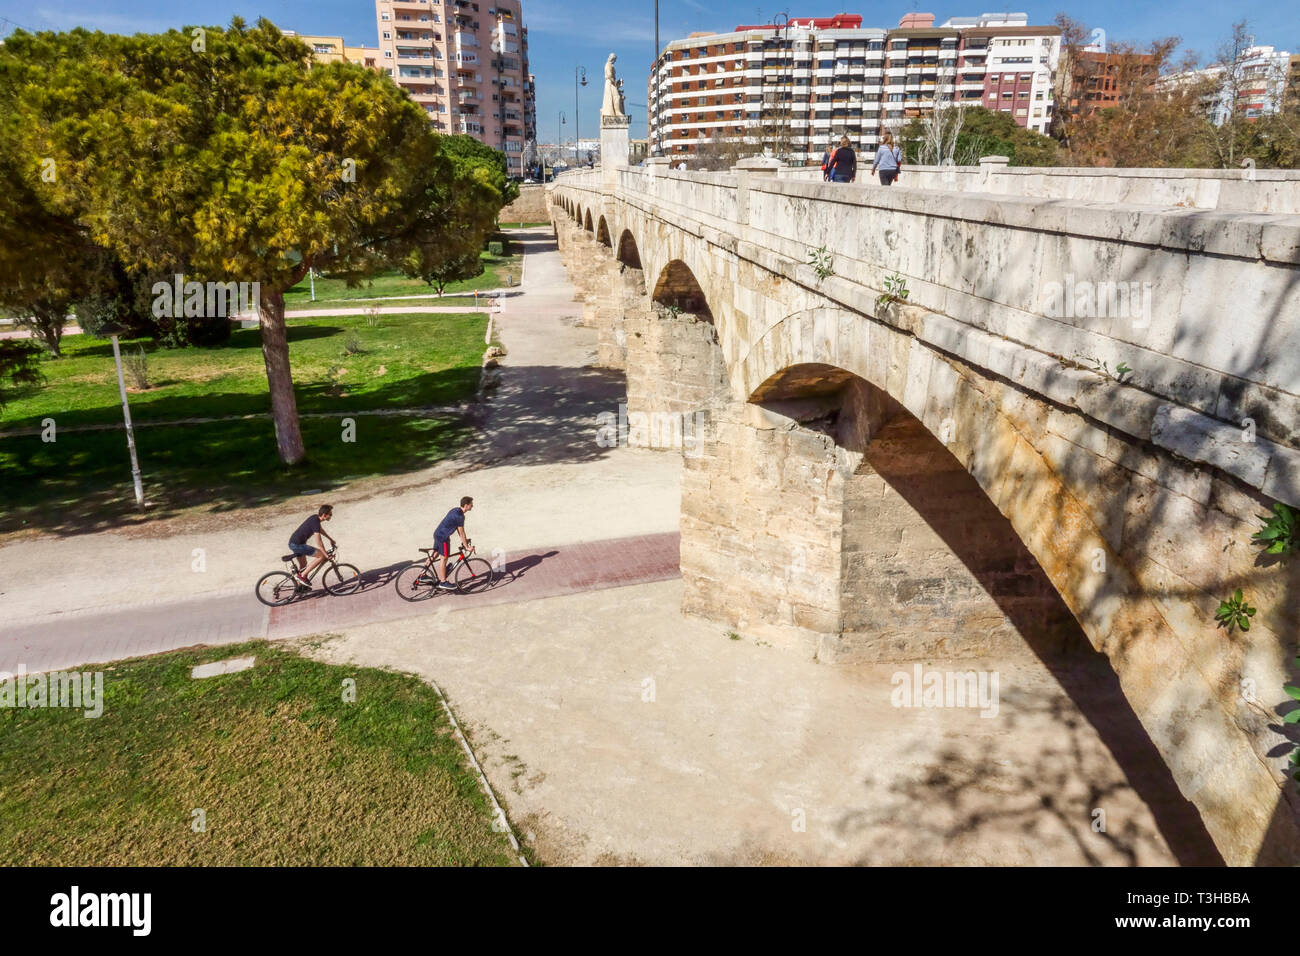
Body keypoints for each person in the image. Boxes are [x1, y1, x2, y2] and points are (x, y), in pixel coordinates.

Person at [422, 496, 474, 590]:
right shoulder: (460, 516)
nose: (472, 506)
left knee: (435, 555)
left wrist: (465, 541)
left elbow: (459, 531)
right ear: (466, 506)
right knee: (444, 557)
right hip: (443, 538)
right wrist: (466, 547)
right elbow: (461, 533)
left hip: (438, 534)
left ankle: (422, 575)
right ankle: (443, 582)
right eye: (471, 504)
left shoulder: (455, 510)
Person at [287, 504, 336, 588]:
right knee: (321, 556)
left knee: (303, 566)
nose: (331, 516)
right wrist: (326, 555)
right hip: (297, 545)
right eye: (330, 514)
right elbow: (319, 543)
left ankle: (299, 587)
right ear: (324, 515)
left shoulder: (315, 518)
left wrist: (330, 539)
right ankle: (302, 576)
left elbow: (320, 530)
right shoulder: (315, 521)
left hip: (294, 543)